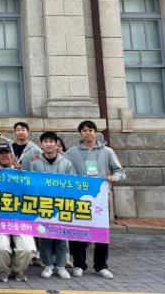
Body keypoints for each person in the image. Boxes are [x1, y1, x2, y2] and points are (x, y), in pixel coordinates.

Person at [65, 120, 126, 280]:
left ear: (95, 132)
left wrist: (114, 177)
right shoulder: (71, 152)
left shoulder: (107, 151)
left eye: (90, 130)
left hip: (100, 200)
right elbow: (61, 168)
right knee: (79, 232)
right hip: (80, 199)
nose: (87, 133)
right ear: (80, 133)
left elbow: (120, 171)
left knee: (101, 233)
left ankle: (101, 266)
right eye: (84, 130)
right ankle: (79, 264)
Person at [30, 132, 76, 280]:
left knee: (62, 237)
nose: (48, 144)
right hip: (43, 205)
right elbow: (31, 184)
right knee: (45, 237)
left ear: (57, 144)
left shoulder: (66, 163)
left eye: (51, 142)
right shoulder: (35, 163)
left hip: (61, 205)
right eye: (45, 142)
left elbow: (73, 184)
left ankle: (61, 266)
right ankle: (48, 265)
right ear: (41, 145)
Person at [0, 142, 36, 283]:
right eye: (1, 153)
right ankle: (4, 270)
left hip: (20, 218)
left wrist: (22, 174)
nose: (4, 155)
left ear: (12, 155)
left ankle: (18, 270)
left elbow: (33, 192)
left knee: (28, 249)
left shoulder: (22, 172)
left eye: (7, 153)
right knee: (0, 248)